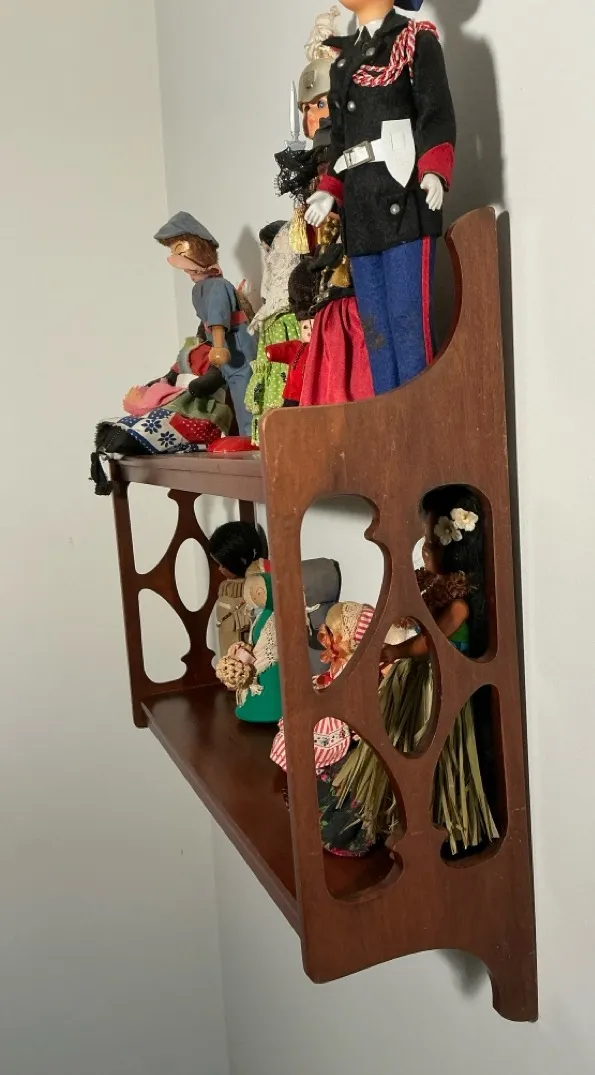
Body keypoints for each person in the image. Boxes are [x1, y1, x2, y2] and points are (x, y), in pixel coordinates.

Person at [319, 486, 499, 858]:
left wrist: (396, 651)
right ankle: (389, 815)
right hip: (419, 679)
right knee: (399, 742)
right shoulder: (434, 587)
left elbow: (430, 641)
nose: (425, 550)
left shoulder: (459, 605)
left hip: (439, 687)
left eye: (432, 542)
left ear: (456, 546)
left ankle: (446, 824)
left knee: (432, 749)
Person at [305, 0, 456, 395]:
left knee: (408, 326)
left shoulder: (413, 40)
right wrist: (328, 191)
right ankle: (390, 427)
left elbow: (435, 113)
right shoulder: (344, 61)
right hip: (361, 212)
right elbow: (341, 140)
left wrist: (434, 170)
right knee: (376, 333)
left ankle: (420, 424)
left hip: (403, 200)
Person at [154, 212, 257, 438]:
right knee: (234, 398)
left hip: (236, 349)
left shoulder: (216, 286)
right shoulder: (201, 289)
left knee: (246, 397)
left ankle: (252, 438)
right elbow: (206, 324)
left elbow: (218, 320)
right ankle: (242, 437)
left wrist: (218, 347)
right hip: (226, 353)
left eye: (188, 268)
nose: (187, 273)